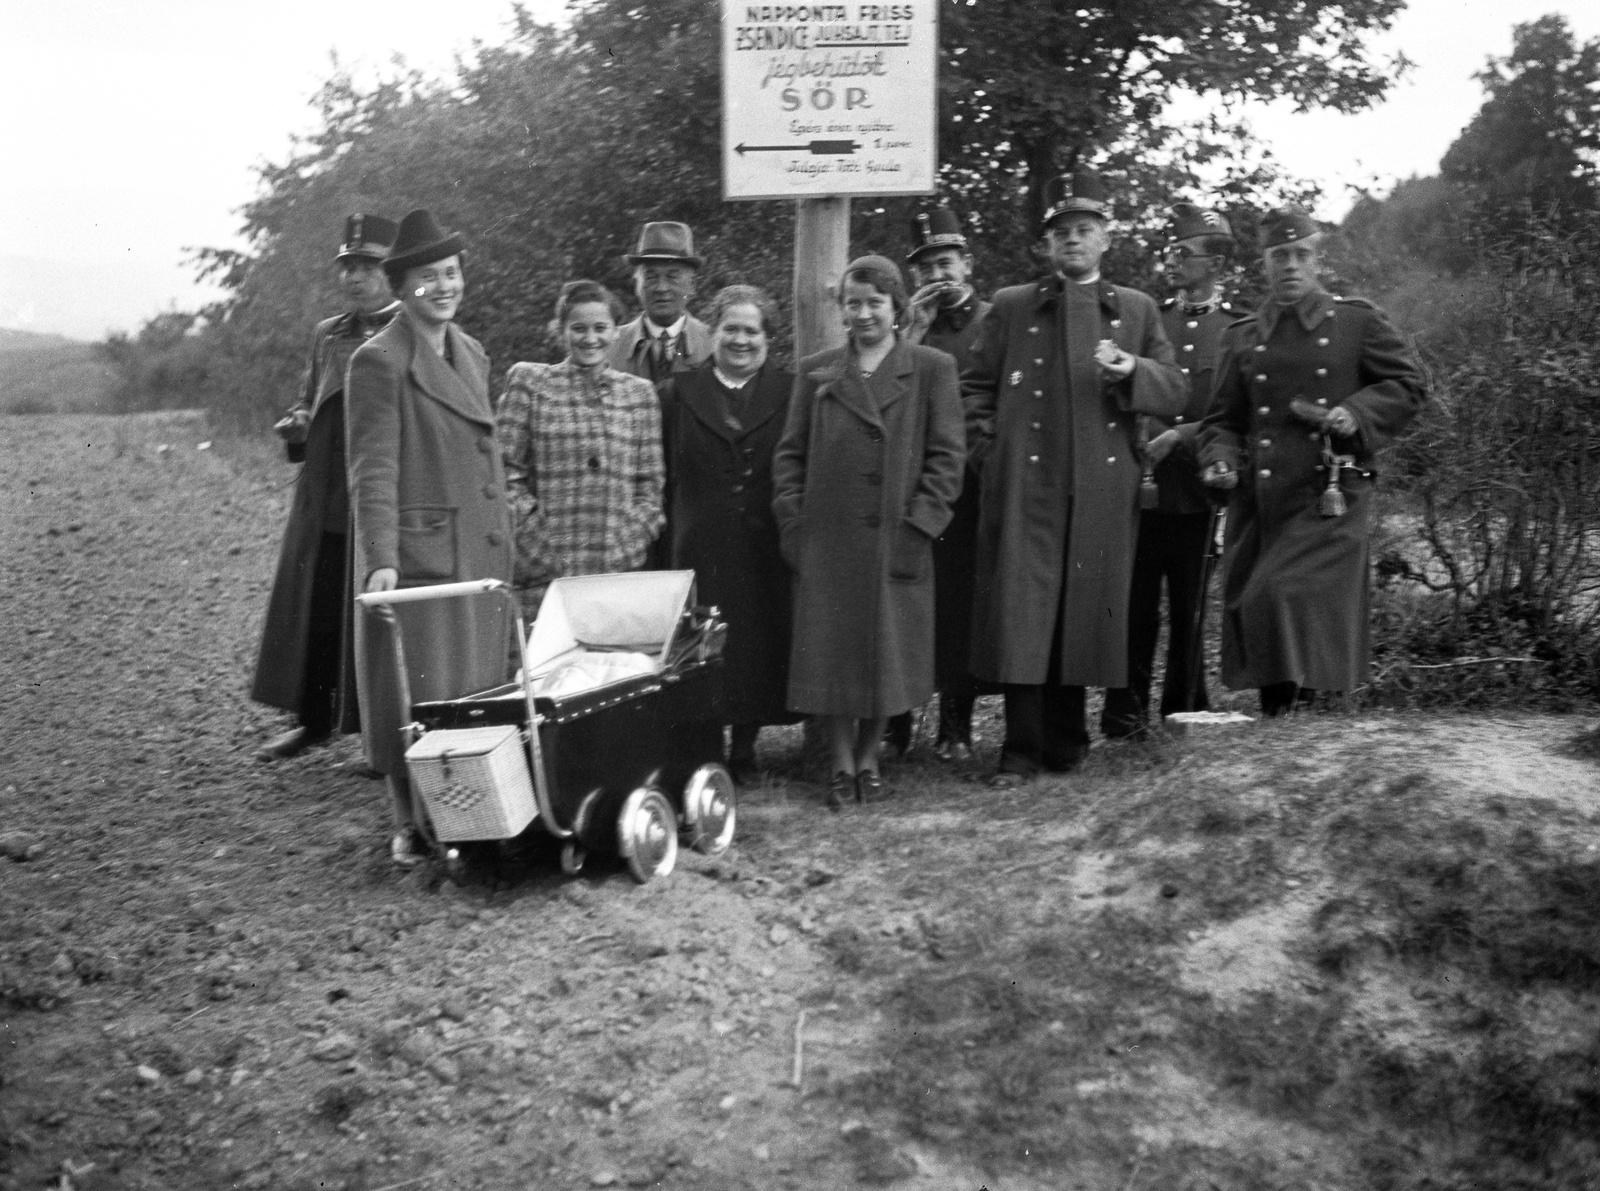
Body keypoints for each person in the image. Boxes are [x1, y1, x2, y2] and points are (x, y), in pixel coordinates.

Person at [963, 166, 1188, 786]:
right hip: (1026, 489)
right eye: (1061, 231)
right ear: (1048, 244)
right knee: (1023, 613)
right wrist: (991, 453)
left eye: (1085, 229)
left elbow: (1176, 388)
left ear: (1105, 239)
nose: (1072, 240)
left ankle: (1068, 743)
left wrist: (1132, 370)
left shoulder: (1136, 310)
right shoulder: (1012, 305)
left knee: (1080, 613)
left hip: (1099, 490)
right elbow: (973, 389)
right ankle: (1019, 748)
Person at [1197, 206, 1427, 715]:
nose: (1291, 265)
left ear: (1316, 257)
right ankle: (1282, 716)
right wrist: (1219, 460)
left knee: (1283, 593)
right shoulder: (1242, 335)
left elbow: (1409, 384)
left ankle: (1318, 707)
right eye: (1280, 256)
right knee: (1255, 599)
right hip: (1261, 499)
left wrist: (1356, 412)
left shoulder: (1355, 322)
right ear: (1264, 262)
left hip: (1331, 494)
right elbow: (1222, 421)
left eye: (1301, 254)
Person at [346, 209, 515, 866]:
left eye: (451, 273)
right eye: (428, 277)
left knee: (469, 688)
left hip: (476, 546)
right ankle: (405, 819)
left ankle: (465, 817)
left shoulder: (470, 350)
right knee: (413, 688)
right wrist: (381, 560)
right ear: (402, 285)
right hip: (420, 555)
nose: (443, 286)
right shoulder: (378, 359)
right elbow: (373, 467)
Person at [773, 255, 965, 809]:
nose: (863, 314)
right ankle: (838, 763)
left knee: (888, 653)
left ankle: (870, 757)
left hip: (896, 537)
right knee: (829, 654)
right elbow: (790, 456)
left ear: (898, 308)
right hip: (826, 542)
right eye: (852, 304)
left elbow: (948, 459)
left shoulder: (930, 368)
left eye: (875, 303)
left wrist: (921, 525)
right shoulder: (817, 370)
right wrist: (794, 524)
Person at [252, 214, 399, 762]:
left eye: (367, 266)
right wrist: (296, 422)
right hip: (328, 494)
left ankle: (381, 735)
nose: (355, 278)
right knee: (319, 607)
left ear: (392, 273)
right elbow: (308, 399)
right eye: (349, 267)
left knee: (381, 612)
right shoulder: (327, 334)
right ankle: (312, 722)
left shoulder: (409, 331)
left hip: (383, 496)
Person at [1102, 202, 1242, 738]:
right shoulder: (1148, 319)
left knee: (1189, 612)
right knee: (1134, 607)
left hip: (1198, 492)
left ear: (1217, 265)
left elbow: (1233, 411)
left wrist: (1179, 437)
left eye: (1186, 253)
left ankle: (1184, 711)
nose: (1174, 262)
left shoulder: (1235, 329)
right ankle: (1123, 714)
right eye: (1171, 252)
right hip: (1140, 490)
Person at [658, 285, 797, 783]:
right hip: (700, 541)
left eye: (751, 331)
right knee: (701, 643)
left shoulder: (791, 391)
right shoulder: (676, 393)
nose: (741, 340)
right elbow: (665, 472)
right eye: (730, 329)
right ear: (711, 334)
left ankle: (745, 748)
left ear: (768, 338)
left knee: (756, 640)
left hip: (764, 542)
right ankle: (705, 745)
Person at [883, 207, 993, 762]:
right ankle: (895, 723)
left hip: (968, 486)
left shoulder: (994, 321)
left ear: (967, 264)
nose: (937, 278)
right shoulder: (902, 329)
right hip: (907, 484)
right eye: (925, 269)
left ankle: (955, 725)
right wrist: (912, 333)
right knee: (903, 601)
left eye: (945, 264)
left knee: (959, 605)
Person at [498, 280, 665, 618]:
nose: (591, 339)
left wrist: (625, 546)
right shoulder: (530, 382)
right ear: (561, 331)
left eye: (601, 328)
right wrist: (536, 542)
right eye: (579, 328)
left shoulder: (640, 395)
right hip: (544, 574)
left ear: (616, 332)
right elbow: (501, 473)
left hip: (614, 576)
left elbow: (651, 489)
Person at [606, 222, 713, 384]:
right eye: (651, 277)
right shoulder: (610, 345)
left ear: (692, 285)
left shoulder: (714, 344)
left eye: (672, 277)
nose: (661, 288)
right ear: (637, 283)